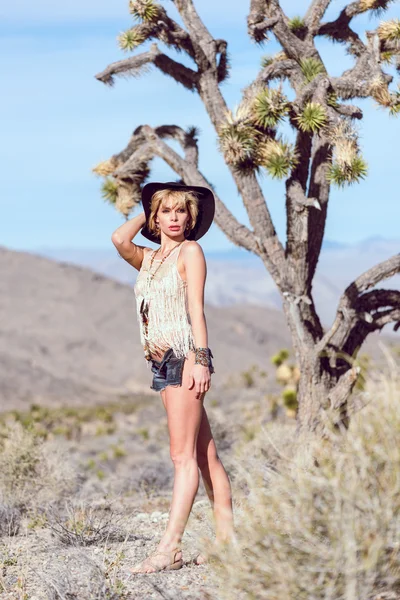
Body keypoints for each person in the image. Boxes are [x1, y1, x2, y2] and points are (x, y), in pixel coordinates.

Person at [111, 181, 235, 574]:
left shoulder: (190, 252)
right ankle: (227, 542)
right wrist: (148, 207)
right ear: (155, 217)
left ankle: (169, 548)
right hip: (161, 364)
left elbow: (196, 310)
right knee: (204, 455)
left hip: (184, 359)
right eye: (166, 211)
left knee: (181, 458)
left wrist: (201, 359)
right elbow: (118, 238)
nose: (175, 218)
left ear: (191, 217)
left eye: (181, 211)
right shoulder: (149, 259)